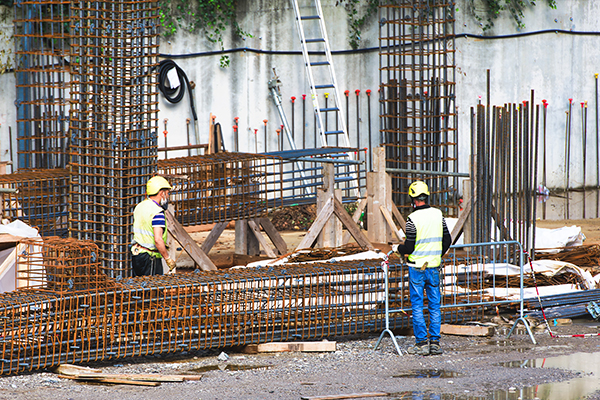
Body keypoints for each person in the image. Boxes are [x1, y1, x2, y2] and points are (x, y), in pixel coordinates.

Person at [393, 180, 451, 356]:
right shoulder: (438, 214)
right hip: (433, 267)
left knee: (417, 306)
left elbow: (409, 247)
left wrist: (398, 249)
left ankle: (421, 344)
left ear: (413, 199)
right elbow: (447, 240)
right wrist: (436, 255)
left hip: (416, 268)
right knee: (434, 306)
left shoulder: (413, 218)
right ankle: (435, 343)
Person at [131, 176, 177, 276]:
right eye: (167, 193)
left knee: (139, 289)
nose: (168, 196)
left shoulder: (140, 206)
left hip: (136, 254)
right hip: (150, 258)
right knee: (152, 290)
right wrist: (167, 258)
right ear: (161, 193)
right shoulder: (157, 212)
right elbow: (158, 240)